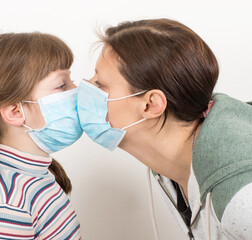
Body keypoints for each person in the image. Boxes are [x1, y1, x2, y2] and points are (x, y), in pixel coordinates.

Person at [77, 18, 252, 239]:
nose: (83, 88)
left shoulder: (242, 193)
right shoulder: (169, 166)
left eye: (101, 84)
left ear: (151, 105)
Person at [0, 33, 82, 239]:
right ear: (15, 112)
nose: (77, 90)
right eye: (61, 85)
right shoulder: (7, 204)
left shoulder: (35, 175)